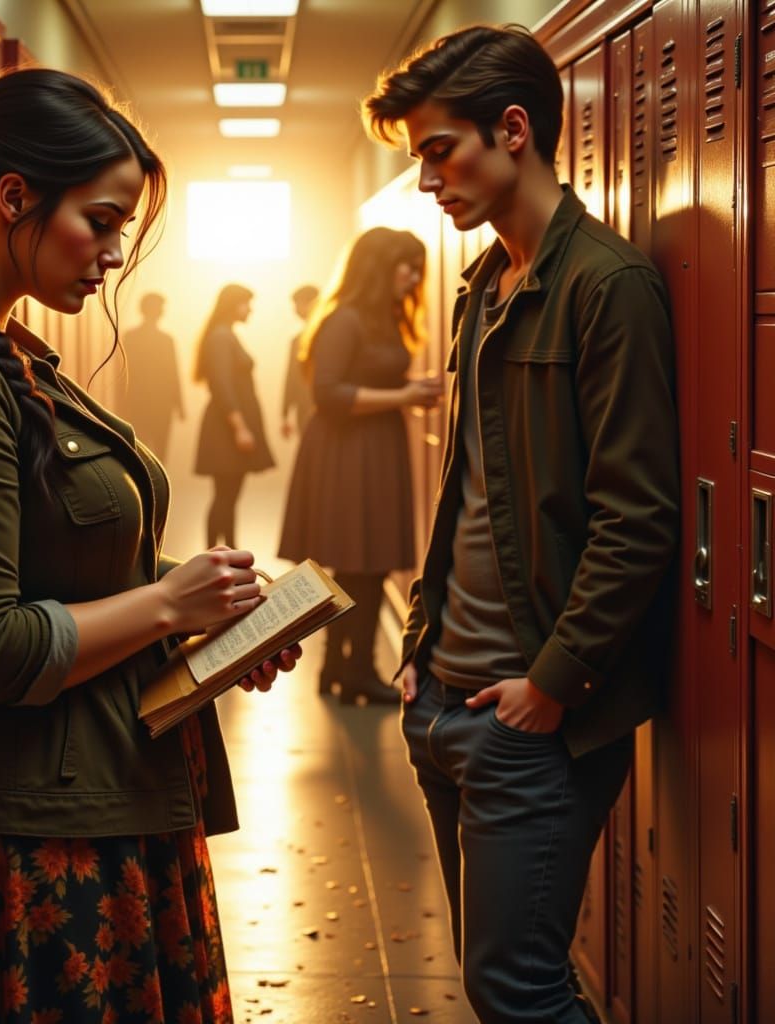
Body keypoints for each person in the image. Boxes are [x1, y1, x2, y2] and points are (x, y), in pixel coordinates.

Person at [0, 70, 300, 1023]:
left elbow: (62, 570)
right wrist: (169, 608)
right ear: (15, 197)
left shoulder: (10, 356)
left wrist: (206, 609)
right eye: (98, 222)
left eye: (121, 230)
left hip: (87, 799)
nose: (111, 253)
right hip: (23, 848)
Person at [364, 24, 679, 1023]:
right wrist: (418, 649)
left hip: (529, 721)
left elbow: (638, 515)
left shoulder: (606, 287)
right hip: (445, 698)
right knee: (497, 982)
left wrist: (550, 684)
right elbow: (464, 489)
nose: (426, 182)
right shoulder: (480, 289)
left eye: (437, 151)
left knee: (521, 989)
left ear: (512, 131)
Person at [278, 228, 441, 705]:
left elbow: (367, 377)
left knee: (362, 565)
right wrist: (405, 395)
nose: (412, 278)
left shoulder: (380, 319)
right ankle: (358, 672)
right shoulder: (344, 320)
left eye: (417, 267)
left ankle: (339, 668)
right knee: (361, 563)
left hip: (372, 445)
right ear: (377, 268)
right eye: (405, 266)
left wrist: (409, 388)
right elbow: (328, 395)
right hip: (347, 450)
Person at [193, 284, 275, 549]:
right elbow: (221, 385)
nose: (250, 309)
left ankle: (227, 551)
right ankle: (217, 554)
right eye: (246, 303)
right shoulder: (220, 336)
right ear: (232, 304)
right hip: (225, 429)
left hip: (228, 426)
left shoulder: (226, 334)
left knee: (227, 495)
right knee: (225, 496)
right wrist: (239, 427)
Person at [117, 291, 185, 463]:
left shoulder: (131, 337)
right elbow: (173, 372)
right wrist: (179, 404)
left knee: (140, 449)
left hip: (138, 401)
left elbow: (124, 371)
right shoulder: (166, 340)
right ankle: (158, 487)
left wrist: (123, 401)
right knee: (160, 451)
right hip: (160, 404)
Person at [279, 284, 319, 439]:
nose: (294, 310)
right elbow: (292, 378)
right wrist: (285, 413)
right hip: (309, 407)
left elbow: (292, 378)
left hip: (315, 406)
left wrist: (285, 413)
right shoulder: (298, 340)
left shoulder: (300, 341)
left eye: (297, 305)